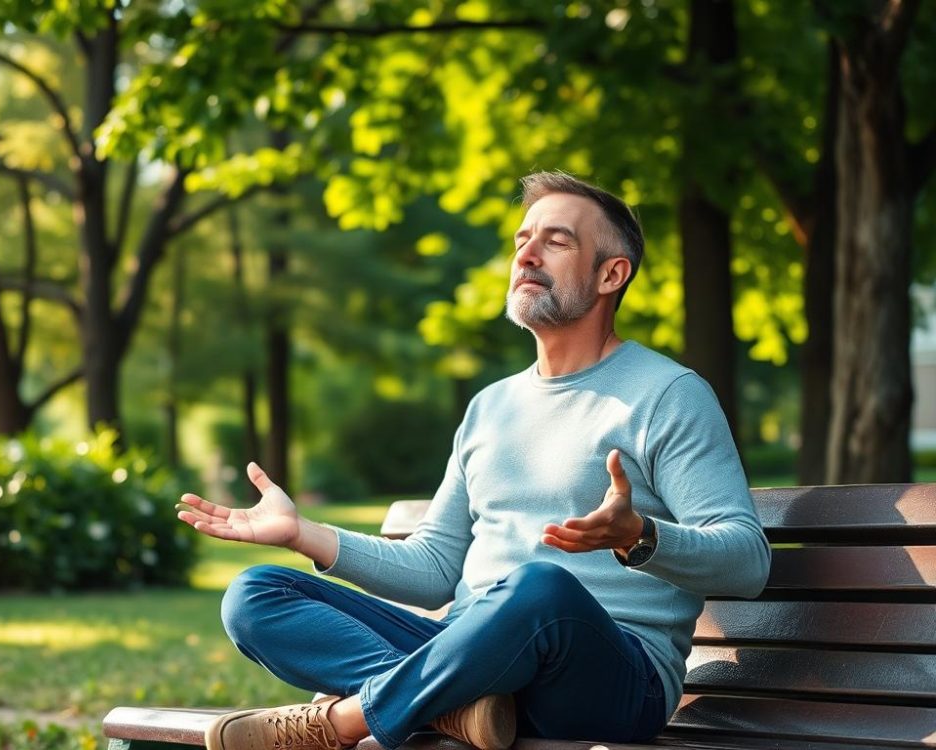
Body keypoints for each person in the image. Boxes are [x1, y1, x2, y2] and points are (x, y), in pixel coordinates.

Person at [176, 171, 771, 750]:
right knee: (256, 595)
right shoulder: (491, 407)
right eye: (522, 239)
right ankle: (457, 710)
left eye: (556, 241)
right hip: (474, 659)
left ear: (612, 273)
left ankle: (351, 721)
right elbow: (435, 567)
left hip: (609, 677)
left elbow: (747, 562)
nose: (527, 254)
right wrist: (304, 534)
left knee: (541, 588)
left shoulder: (668, 394)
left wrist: (640, 536)